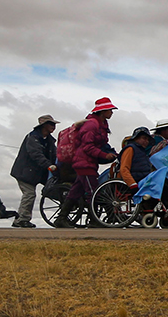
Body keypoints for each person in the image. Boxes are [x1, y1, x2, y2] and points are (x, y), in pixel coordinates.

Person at [56, 98, 119, 228]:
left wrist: (113, 153)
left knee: (75, 191)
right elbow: (87, 146)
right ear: (103, 111)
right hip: (84, 163)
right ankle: (94, 220)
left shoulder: (100, 125)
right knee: (93, 192)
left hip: (87, 163)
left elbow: (101, 144)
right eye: (110, 110)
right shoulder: (91, 125)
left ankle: (61, 218)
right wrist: (104, 155)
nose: (112, 112)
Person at [9, 114, 59, 229]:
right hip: (24, 172)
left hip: (36, 173)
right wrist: (49, 165)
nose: (53, 126)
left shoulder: (49, 140)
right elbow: (36, 155)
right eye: (51, 124)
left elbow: (54, 155)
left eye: (54, 124)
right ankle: (22, 219)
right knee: (29, 194)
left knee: (52, 189)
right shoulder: (32, 137)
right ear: (43, 126)